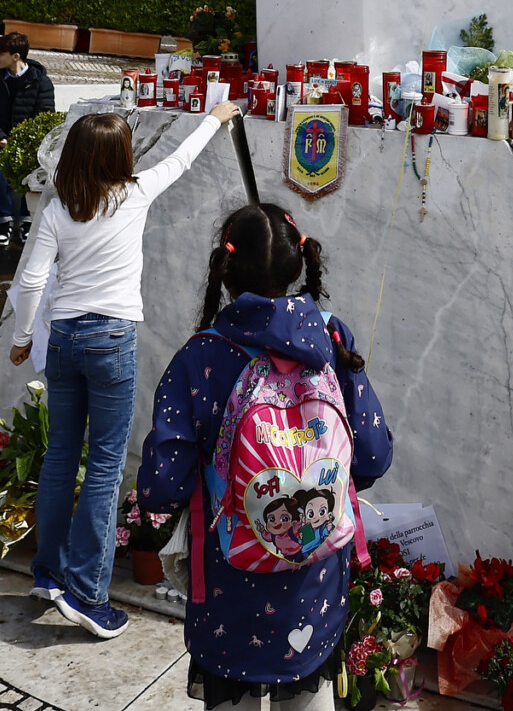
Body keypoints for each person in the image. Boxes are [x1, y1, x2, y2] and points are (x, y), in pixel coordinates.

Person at [138, 198, 393, 706]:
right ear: (299, 265)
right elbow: (372, 457)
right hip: (314, 590)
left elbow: (160, 487)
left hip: (231, 591)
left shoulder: (202, 356)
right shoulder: (331, 336)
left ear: (226, 271)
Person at [5, 101, 234, 639]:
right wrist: (215, 116)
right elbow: (180, 160)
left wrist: (21, 339)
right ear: (120, 157)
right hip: (112, 340)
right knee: (106, 466)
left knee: (62, 454)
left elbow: (34, 280)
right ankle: (88, 595)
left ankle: (48, 573)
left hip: (63, 338)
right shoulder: (134, 194)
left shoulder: (59, 207)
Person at [0, 31, 57, 247]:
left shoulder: (41, 82)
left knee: (33, 165)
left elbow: (45, 116)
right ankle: (4, 222)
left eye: (0, 53)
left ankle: (28, 220)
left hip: (30, 145)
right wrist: (0, 138)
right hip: (1, 142)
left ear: (16, 56)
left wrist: (23, 143)